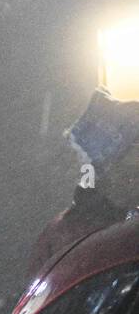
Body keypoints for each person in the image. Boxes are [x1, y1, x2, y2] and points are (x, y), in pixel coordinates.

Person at [28, 87, 139, 278]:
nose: (136, 178)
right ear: (107, 167)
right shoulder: (76, 238)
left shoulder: (113, 222)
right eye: (131, 167)